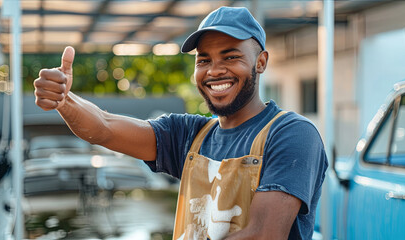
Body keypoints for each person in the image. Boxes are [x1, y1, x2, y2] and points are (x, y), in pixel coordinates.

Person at [34, 6, 328, 240]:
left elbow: (264, 236)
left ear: (260, 62)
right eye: (204, 60)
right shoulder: (191, 135)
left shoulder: (291, 134)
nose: (215, 71)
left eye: (231, 57)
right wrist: (64, 101)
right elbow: (104, 127)